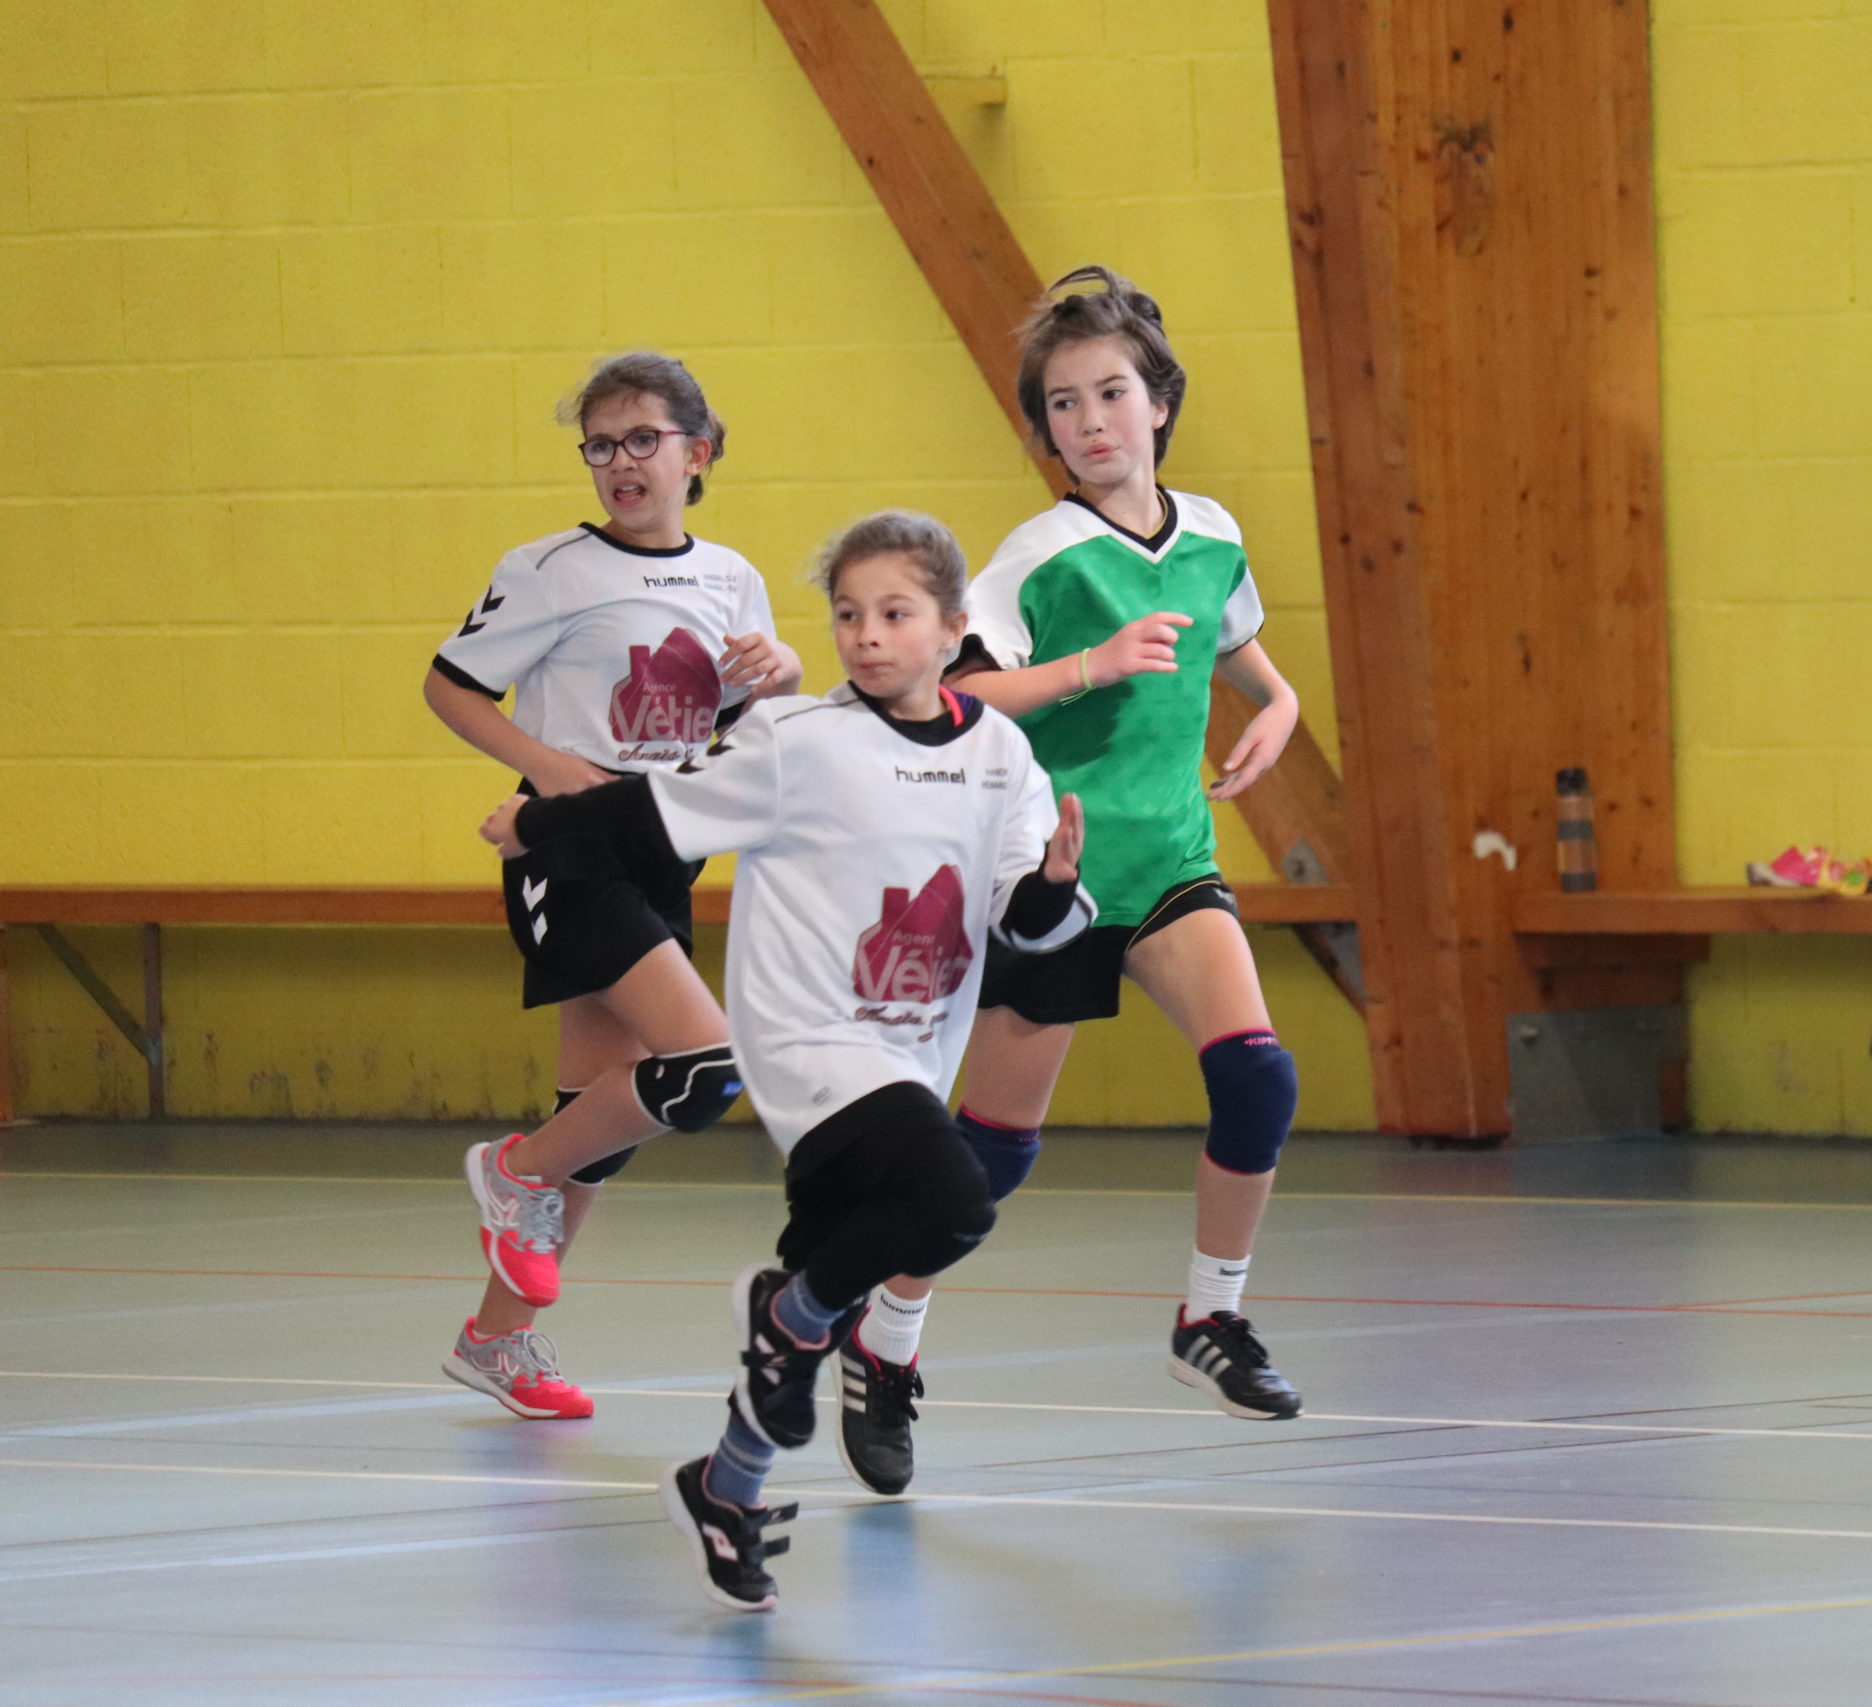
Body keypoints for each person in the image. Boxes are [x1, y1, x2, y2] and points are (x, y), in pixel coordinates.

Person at [481, 509, 1092, 1611]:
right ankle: (787, 1311)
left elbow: (1024, 916)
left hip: (912, 1056)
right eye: (848, 615)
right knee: (955, 1202)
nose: (865, 636)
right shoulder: (797, 739)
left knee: (812, 1313)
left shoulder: (1001, 754)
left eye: (894, 613)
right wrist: (539, 830)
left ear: (952, 627)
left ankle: (725, 1486)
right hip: (810, 1049)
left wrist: (1050, 889)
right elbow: (649, 812)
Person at [828, 267, 1309, 1500]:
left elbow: (1234, 643)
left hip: (1174, 866)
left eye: (1112, 393)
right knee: (989, 1160)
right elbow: (953, 693)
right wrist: (1090, 664)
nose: (1091, 420)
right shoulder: (1039, 558)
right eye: (1062, 404)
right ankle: (884, 1341)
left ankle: (1210, 1320)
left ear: (1159, 402)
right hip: (1056, 877)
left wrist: (1282, 704)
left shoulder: (1210, 533)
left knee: (1256, 1078)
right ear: (1043, 430)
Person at [424, 353, 800, 1418]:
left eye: (643, 440)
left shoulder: (730, 577)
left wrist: (775, 684)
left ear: (699, 451)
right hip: (569, 850)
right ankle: (513, 1172)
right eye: (601, 444)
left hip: (663, 847)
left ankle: (497, 1338)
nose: (620, 463)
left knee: (601, 1116)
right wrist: (544, 769)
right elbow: (450, 686)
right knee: (705, 1067)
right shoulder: (550, 569)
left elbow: (719, 732)